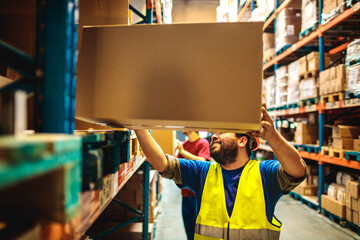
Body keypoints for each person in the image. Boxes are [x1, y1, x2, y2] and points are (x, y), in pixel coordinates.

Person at [135, 105, 307, 240]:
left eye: (222, 132)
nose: (214, 136)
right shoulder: (203, 172)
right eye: (214, 132)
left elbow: (297, 170)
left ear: (242, 140)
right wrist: (137, 126)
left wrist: (273, 136)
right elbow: (162, 163)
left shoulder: (264, 173)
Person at [176, 131, 211, 239]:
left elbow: (203, 161)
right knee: (188, 226)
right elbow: (176, 163)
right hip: (186, 192)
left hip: (197, 193)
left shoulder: (202, 143)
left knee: (198, 228)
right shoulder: (185, 144)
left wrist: (183, 152)